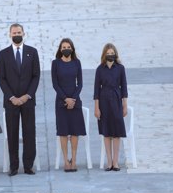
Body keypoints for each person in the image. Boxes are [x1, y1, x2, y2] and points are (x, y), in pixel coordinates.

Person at [0, 23, 40, 176]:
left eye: (19, 32)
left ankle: (28, 166)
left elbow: (36, 76)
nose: (17, 34)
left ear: (24, 33)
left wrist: (27, 96)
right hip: (11, 102)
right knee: (12, 134)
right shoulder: (3, 54)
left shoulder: (32, 52)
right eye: (14, 32)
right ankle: (13, 167)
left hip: (28, 101)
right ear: (10, 35)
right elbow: (1, 78)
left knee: (29, 133)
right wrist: (12, 97)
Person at [51, 38, 86, 172]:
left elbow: (80, 83)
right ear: (60, 49)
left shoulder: (77, 63)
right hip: (61, 102)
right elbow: (55, 84)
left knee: (75, 132)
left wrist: (73, 99)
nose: (66, 49)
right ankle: (66, 161)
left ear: (72, 49)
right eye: (63, 47)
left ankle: (74, 160)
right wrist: (66, 99)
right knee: (64, 132)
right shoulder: (55, 63)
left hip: (75, 101)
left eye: (68, 47)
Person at [94, 43, 128, 171]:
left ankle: (116, 162)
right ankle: (109, 162)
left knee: (117, 132)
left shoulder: (120, 68)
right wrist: (96, 107)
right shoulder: (99, 69)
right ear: (104, 55)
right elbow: (96, 90)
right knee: (107, 132)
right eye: (108, 53)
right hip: (103, 101)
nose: (110, 55)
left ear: (115, 54)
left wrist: (125, 105)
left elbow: (124, 87)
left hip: (116, 99)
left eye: (112, 53)